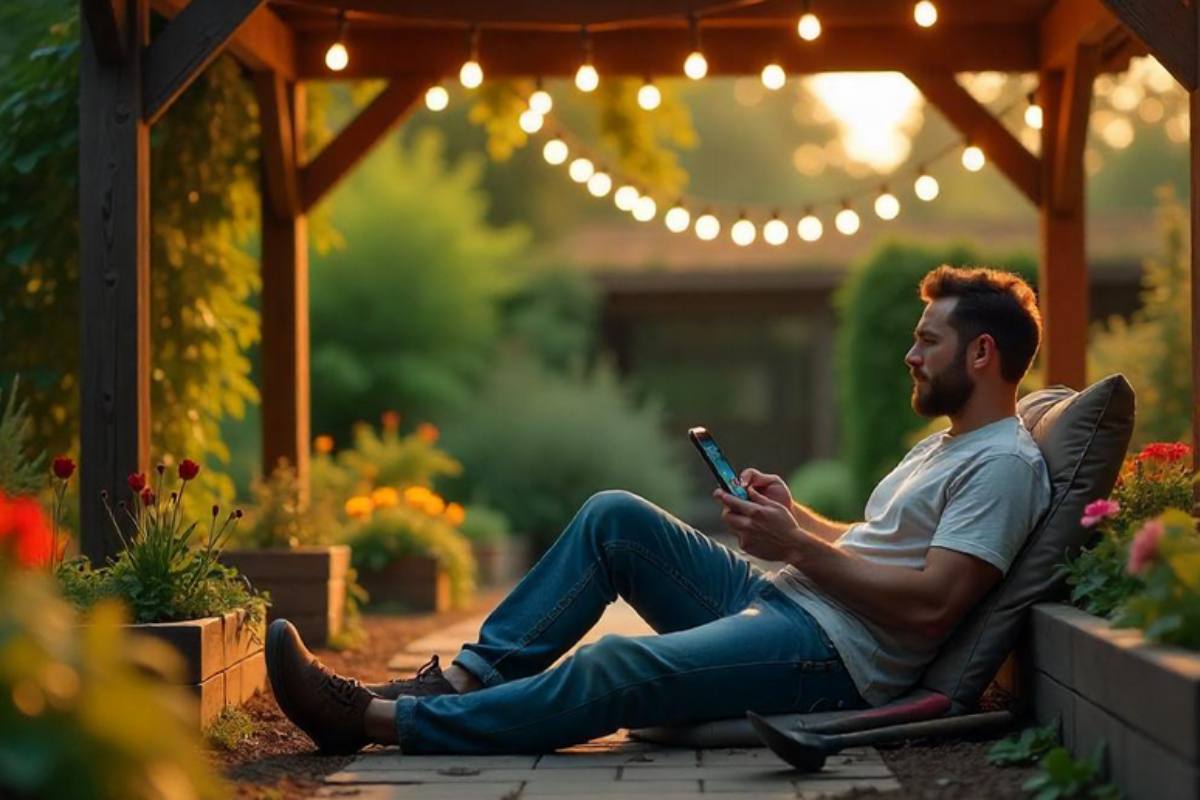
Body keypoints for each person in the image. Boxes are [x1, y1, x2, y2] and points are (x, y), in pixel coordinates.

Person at [266, 265, 1052, 756]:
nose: (911, 355)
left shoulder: (1004, 464)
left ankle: (380, 723)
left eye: (928, 340)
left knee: (617, 663)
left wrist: (802, 552)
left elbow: (933, 603)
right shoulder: (946, 446)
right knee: (616, 516)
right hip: (789, 602)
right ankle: (464, 682)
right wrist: (796, 519)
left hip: (834, 660)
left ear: (981, 354)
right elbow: (881, 547)